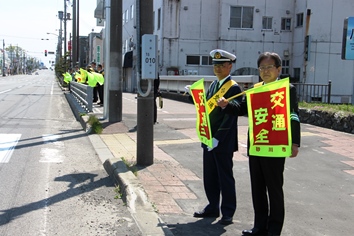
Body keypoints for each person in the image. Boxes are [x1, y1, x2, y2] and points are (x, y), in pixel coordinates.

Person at [217, 52, 301, 236]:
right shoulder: (254, 90)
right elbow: (241, 109)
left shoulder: (287, 89)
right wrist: (225, 105)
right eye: (262, 68)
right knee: (258, 188)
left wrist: (295, 142)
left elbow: (294, 115)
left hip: (277, 147)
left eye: (269, 67)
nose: (265, 71)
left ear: (279, 69)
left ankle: (274, 229)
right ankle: (259, 226)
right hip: (257, 144)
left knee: (274, 189)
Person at [192, 49, 243, 225]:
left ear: (229, 66)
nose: (218, 68)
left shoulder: (234, 87)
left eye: (221, 65)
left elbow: (231, 116)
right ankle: (212, 206)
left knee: (225, 177)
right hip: (208, 138)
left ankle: (228, 212)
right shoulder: (213, 85)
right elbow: (207, 109)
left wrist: (218, 138)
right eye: (215, 65)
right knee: (210, 175)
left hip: (223, 141)